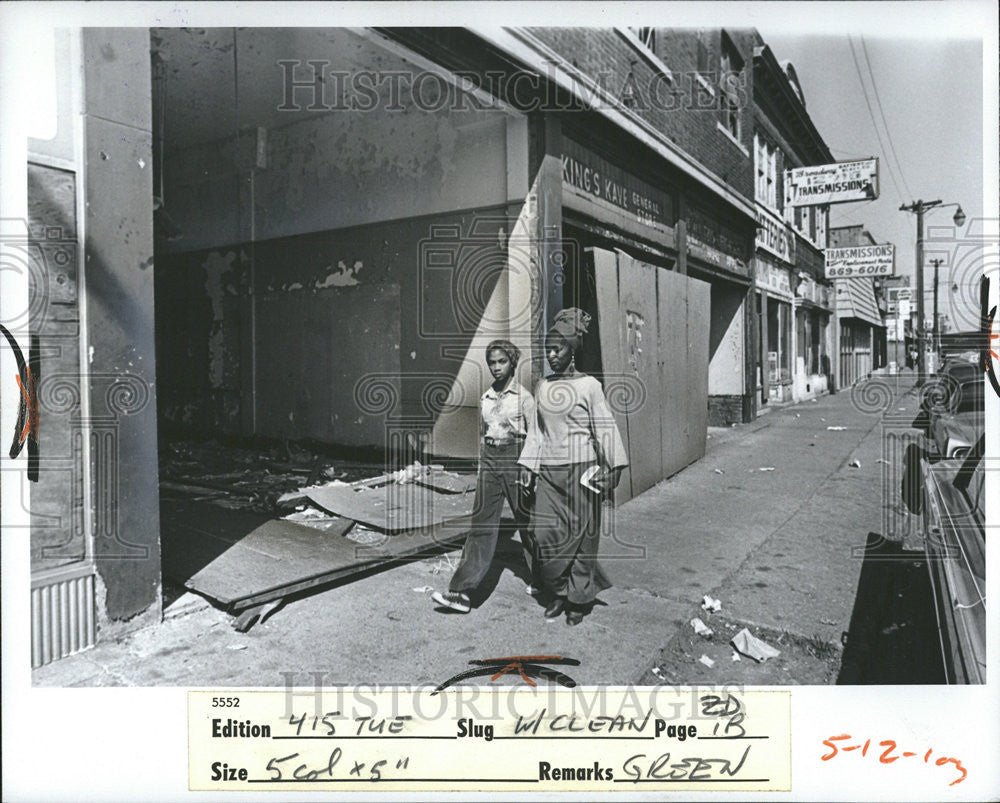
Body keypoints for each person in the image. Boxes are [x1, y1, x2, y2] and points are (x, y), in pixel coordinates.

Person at [518, 308, 628, 626]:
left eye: (558, 349)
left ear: (572, 349)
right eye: (548, 349)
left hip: (583, 472)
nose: (552, 355)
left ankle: (576, 599)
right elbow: (537, 432)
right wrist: (528, 465)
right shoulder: (542, 387)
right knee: (543, 535)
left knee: (582, 539)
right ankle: (558, 589)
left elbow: (604, 426)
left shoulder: (589, 386)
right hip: (550, 473)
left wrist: (615, 467)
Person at [432, 340, 538, 613]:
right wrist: (482, 468)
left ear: (512, 362)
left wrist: (529, 468)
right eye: (492, 362)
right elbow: (483, 436)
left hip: (517, 459)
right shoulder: (486, 397)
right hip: (491, 461)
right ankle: (462, 593)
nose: (496, 367)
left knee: (528, 523)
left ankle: (547, 579)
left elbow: (536, 436)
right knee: (481, 525)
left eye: (501, 361)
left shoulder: (524, 398)